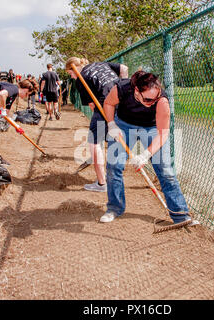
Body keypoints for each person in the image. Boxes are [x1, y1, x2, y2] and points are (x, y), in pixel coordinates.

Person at [100, 70, 199, 226]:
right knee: (114, 166)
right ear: (136, 91)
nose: (152, 103)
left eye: (155, 98)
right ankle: (114, 208)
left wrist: (145, 155)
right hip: (124, 125)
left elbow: (162, 134)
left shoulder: (162, 101)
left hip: (152, 128)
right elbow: (108, 103)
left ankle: (180, 215)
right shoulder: (122, 88)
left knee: (165, 169)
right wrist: (111, 124)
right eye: (147, 99)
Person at [65, 57, 128, 192]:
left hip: (104, 104)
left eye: (70, 73)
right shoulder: (100, 63)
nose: (71, 76)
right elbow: (124, 68)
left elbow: (93, 106)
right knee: (115, 137)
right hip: (123, 99)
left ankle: (101, 183)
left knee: (94, 142)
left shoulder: (81, 80)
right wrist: (123, 84)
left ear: (73, 69)